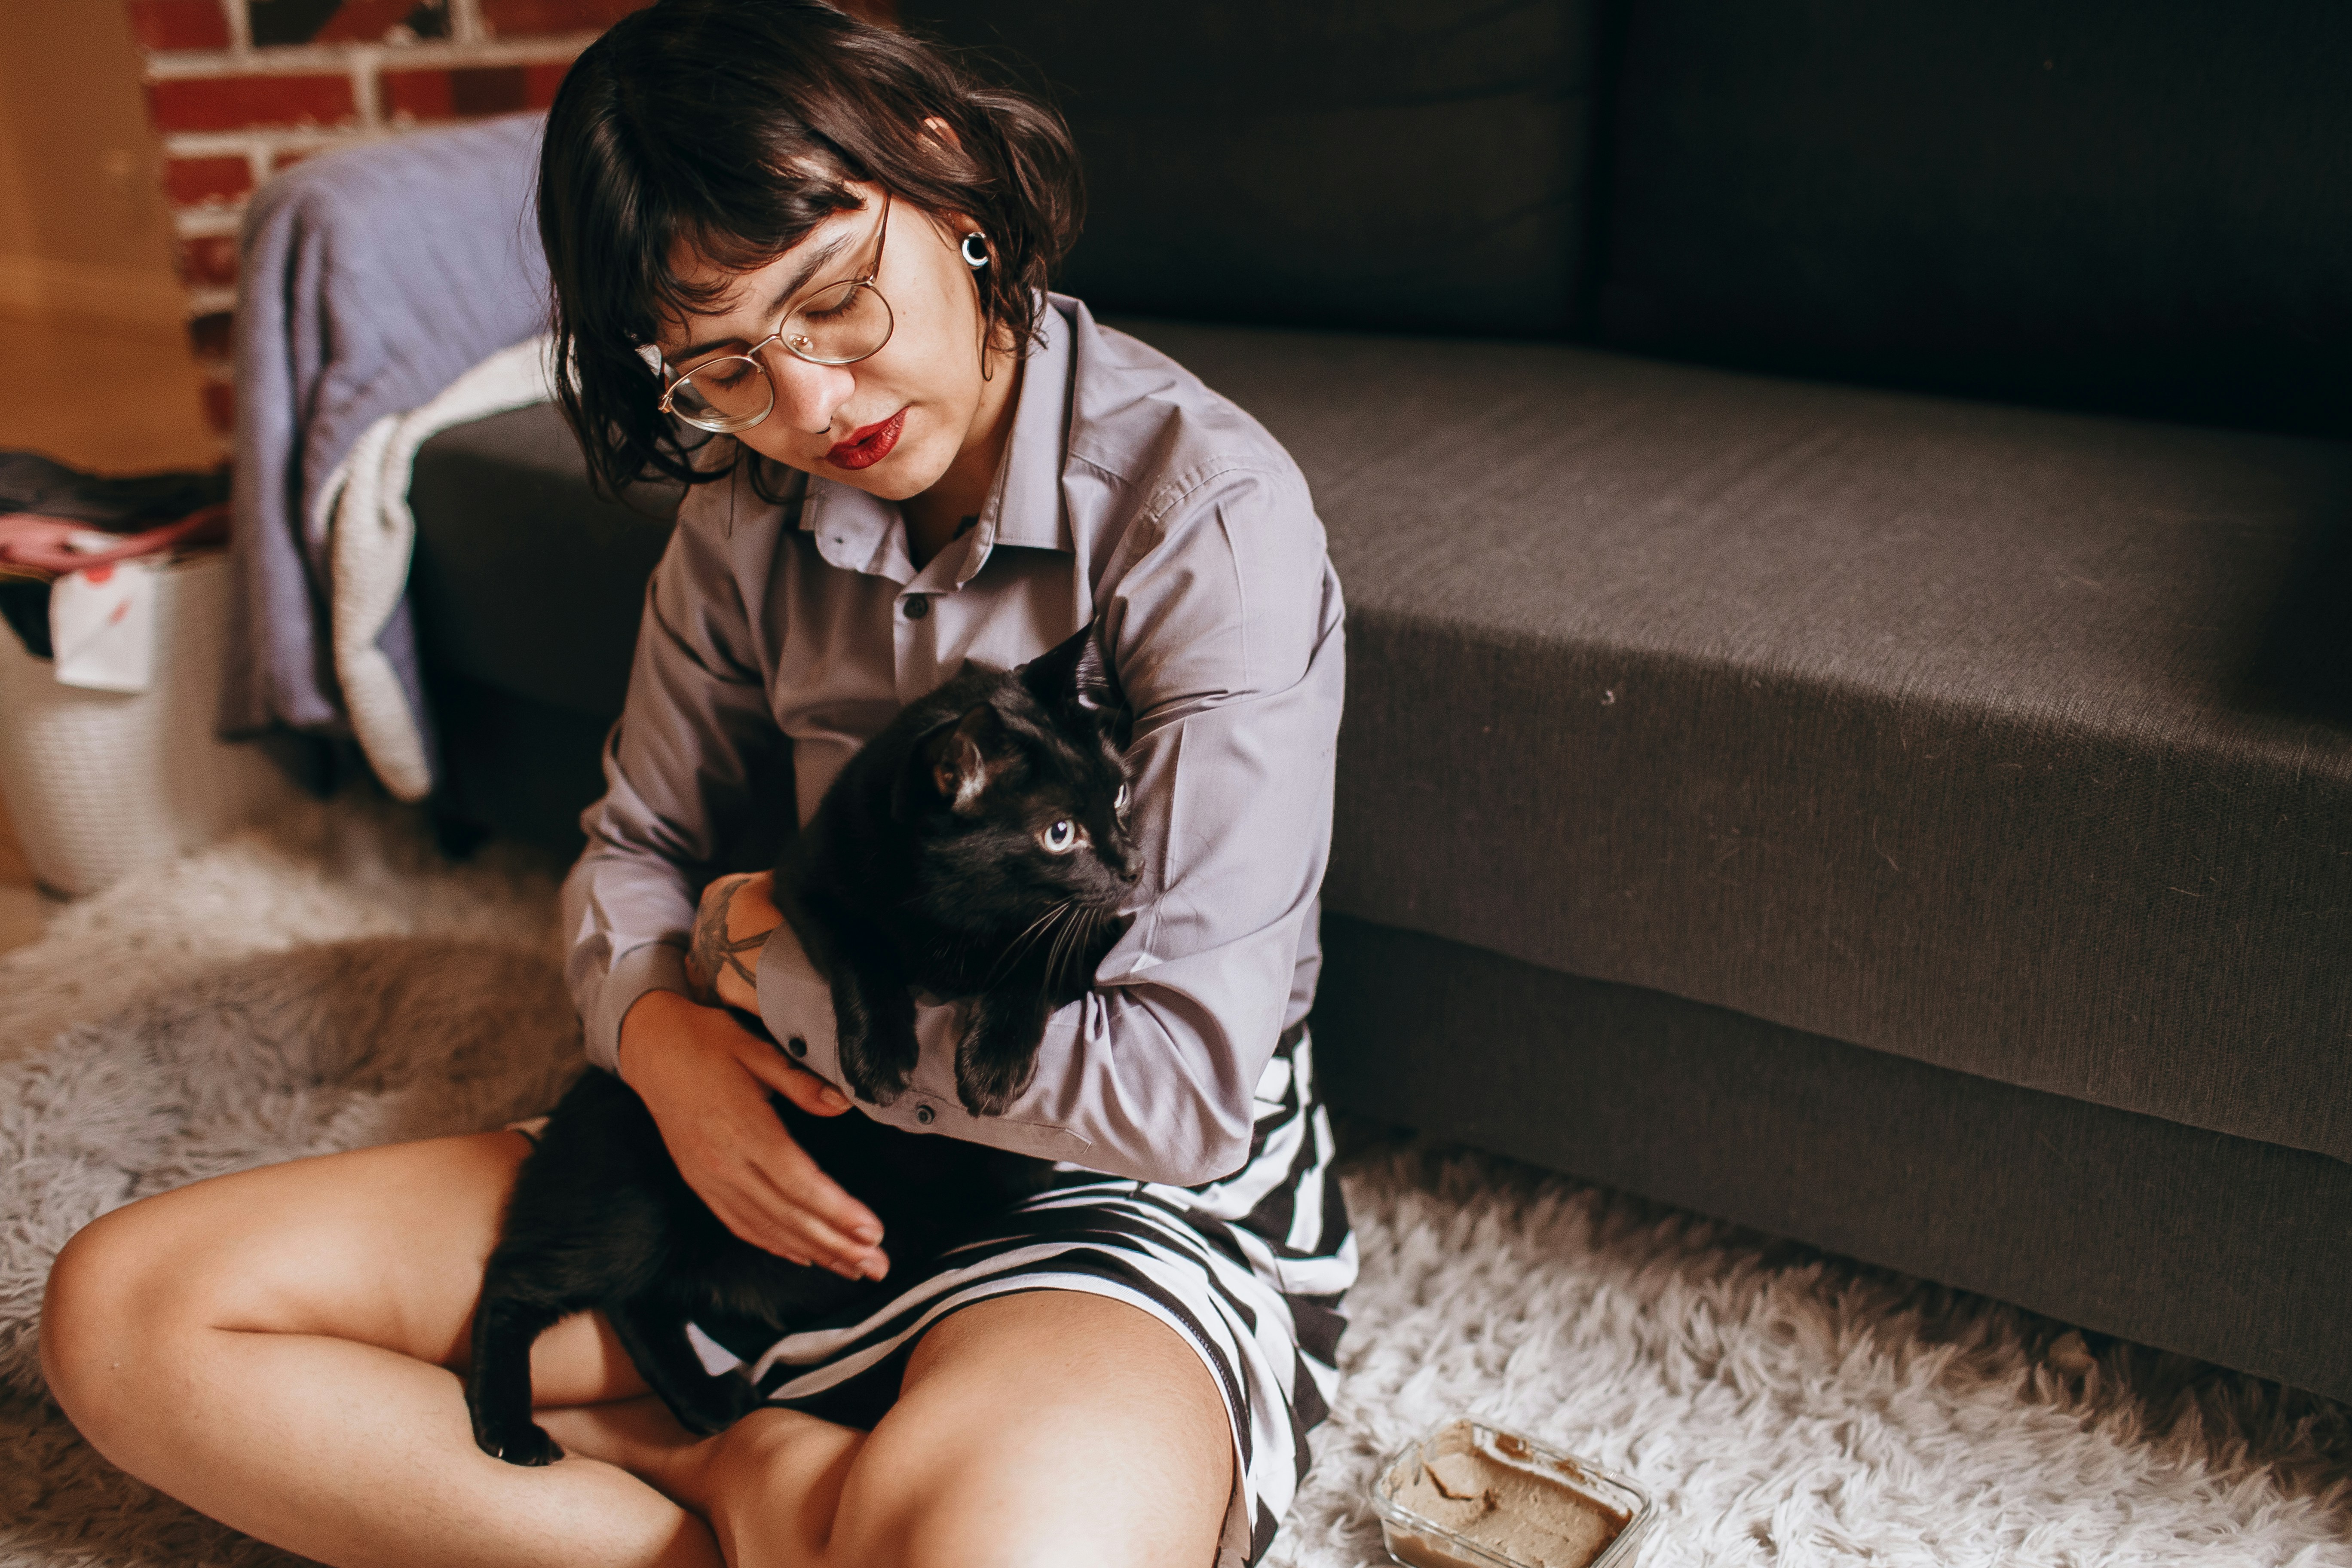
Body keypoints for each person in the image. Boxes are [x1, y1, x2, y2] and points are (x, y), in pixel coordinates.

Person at [40, 3, 1351, 1565]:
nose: (811, 411)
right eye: (727, 365)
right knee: (126, 1318)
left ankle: (727, 1471)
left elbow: (1177, 1096)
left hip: (1088, 1196)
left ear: (942, 177)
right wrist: (665, 1037)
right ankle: (750, 1487)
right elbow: (635, 856)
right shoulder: (747, 516)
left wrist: (768, 976)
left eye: (838, 301)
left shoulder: (1201, 518)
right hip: (757, 1148)